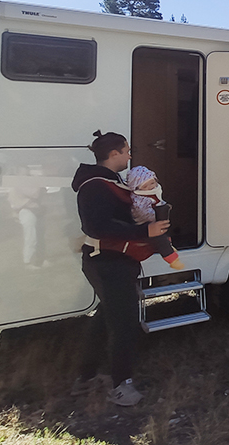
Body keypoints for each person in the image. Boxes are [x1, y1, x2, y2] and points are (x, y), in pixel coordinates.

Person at [70, 130, 170, 406]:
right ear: (113, 154)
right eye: (126, 151)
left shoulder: (112, 181)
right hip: (107, 263)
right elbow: (96, 227)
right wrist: (145, 231)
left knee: (105, 318)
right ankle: (121, 387)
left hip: (115, 263)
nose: (129, 155)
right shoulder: (96, 186)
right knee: (124, 325)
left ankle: (86, 377)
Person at [125, 165, 184, 270]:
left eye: (152, 183)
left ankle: (168, 246)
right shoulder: (139, 199)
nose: (151, 187)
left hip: (155, 222)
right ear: (137, 187)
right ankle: (172, 259)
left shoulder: (153, 192)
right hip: (144, 224)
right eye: (145, 186)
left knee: (164, 232)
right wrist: (157, 214)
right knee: (159, 238)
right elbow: (142, 213)